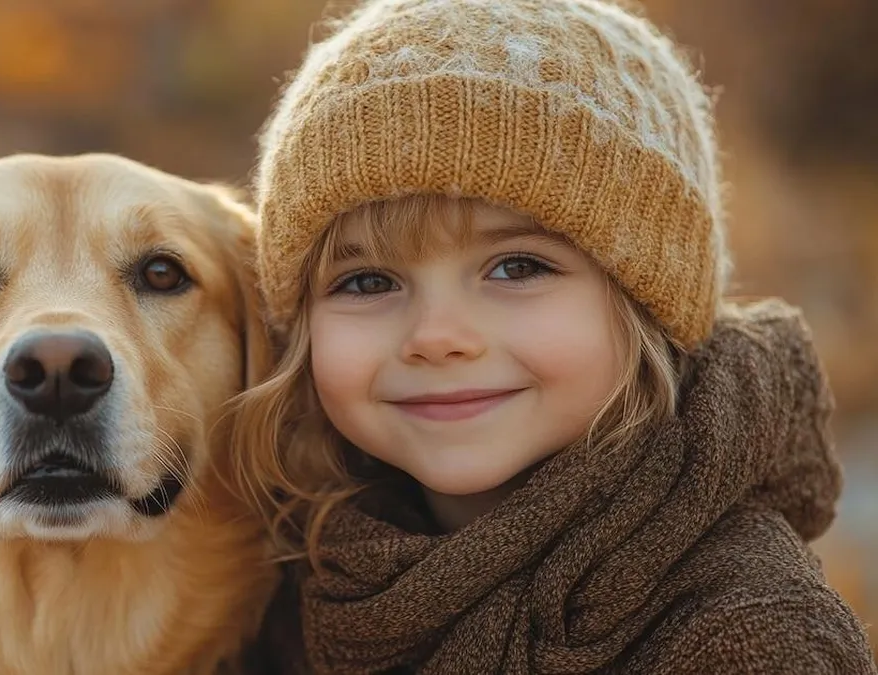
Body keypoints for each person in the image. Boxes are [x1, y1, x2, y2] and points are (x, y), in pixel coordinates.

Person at [232, 0, 878, 672]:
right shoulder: (281, 573)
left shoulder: (744, 630)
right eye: (367, 282)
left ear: (644, 298)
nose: (436, 337)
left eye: (517, 267)